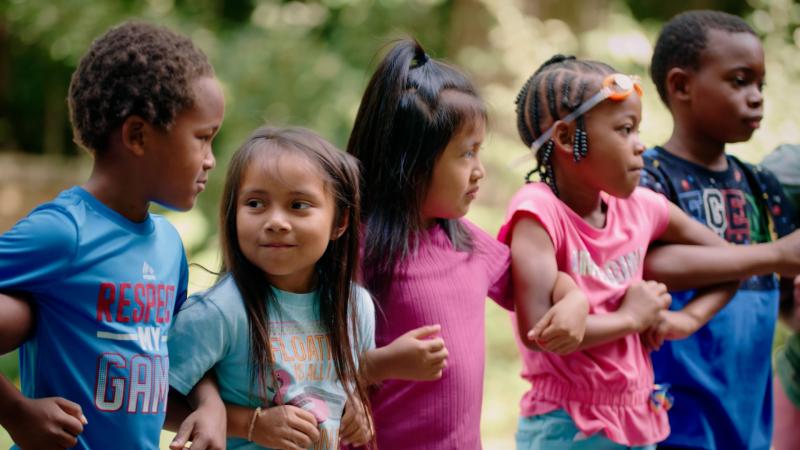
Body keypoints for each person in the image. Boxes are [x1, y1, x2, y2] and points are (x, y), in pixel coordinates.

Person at [500, 51, 800, 449]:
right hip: (567, 423)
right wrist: (630, 319)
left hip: (639, 417)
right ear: (567, 138)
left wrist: (687, 319)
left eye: (638, 129)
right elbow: (541, 331)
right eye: (625, 130)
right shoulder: (538, 212)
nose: (641, 146)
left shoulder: (642, 207)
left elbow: (731, 262)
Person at [345, 39, 588, 450]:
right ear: (411, 162)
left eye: (480, 152)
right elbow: (306, 353)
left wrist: (574, 298)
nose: (479, 171)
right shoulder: (357, 248)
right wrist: (373, 370)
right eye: (466, 154)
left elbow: (541, 285)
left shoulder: (466, 242)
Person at [0, 21, 224, 450]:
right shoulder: (64, 233)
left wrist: (208, 405)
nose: (210, 160)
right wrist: (14, 412)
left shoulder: (168, 244)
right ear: (138, 135)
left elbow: (173, 355)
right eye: (203, 139)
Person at [641, 10, 798, 449]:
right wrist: (773, 255)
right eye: (739, 81)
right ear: (681, 85)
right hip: (674, 411)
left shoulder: (760, 184)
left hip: (749, 412)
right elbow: (646, 262)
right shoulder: (650, 179)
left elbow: (782, 296)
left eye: (760, 85)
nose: (756, 98)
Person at [167, 127, 376, 450]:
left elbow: (344, 381)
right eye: (255, 203)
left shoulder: (355, 306)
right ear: (232, 214)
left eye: (298, 205)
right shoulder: (220, 312)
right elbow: (153, 398)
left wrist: (355, 406)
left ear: (340, 222)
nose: (276, 221)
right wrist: (251, 424)